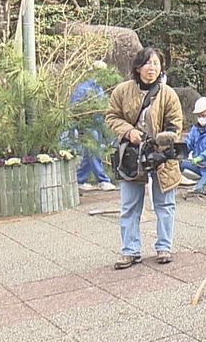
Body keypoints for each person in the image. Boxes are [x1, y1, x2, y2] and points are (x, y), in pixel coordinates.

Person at [105, 47, 183, 268]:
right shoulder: (122, 91)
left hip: (161, 156)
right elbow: (112, 116)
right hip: (131, 154)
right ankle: (130, 251)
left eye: (156, 63)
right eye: (148, 63)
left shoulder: (168, 94)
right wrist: (128, 132)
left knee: (165, 204)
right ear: (138, 67)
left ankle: (164, 247)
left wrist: (162, 141)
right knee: (129, 205)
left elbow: (175, 123)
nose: (152, 68)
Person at [72, 61, 117, 192]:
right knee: (93, 151)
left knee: (89, 153)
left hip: (96, 124)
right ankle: (103, 180)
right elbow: (76, 108)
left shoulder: (98, 87)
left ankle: (80, 179)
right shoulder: (84, 88)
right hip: (87, 125)